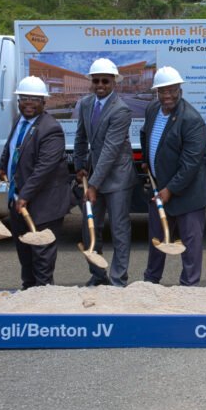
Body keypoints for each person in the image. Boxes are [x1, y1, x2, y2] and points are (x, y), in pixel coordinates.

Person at [0, 76, 70, 289]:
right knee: (25, 252)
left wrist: (25, 195)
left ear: (44, 102)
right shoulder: (19, 121)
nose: (28, 103)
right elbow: (12, 147)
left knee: (42, 255)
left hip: (44, 203)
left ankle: (43, 296)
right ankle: (28, 290)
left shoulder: (51, 129)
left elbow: (44, 169)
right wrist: (2, 166)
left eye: (34, 99)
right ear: (18, 100)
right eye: (24, 98)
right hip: (20, 199)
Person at [141, 65, 206, 287]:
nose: (167, 95)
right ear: (156, 92)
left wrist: (170, 190)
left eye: (172, 90)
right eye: (162, 91)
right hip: (159, 188)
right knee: (157, 241)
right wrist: (147, 161)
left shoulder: (191, 119)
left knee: (190, 245)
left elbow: (191, 164)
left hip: (187, 195)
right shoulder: (153, 109)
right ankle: (150, 283)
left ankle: (189, 288)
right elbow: (145, 134)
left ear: (180, 90)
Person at [74, 58, 137, 287]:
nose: (100, 85)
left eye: (105, 81)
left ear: (114, 82)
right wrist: (80, 165)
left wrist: (93, 185)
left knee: (119, 230)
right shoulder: (86, 104)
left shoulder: (121, 110)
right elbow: (81, 137)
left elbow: (110, 150)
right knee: (90, 228)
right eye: (96, 80)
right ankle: (98, 275)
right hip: (94, 175)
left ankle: (119, 280)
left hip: (117, 178)